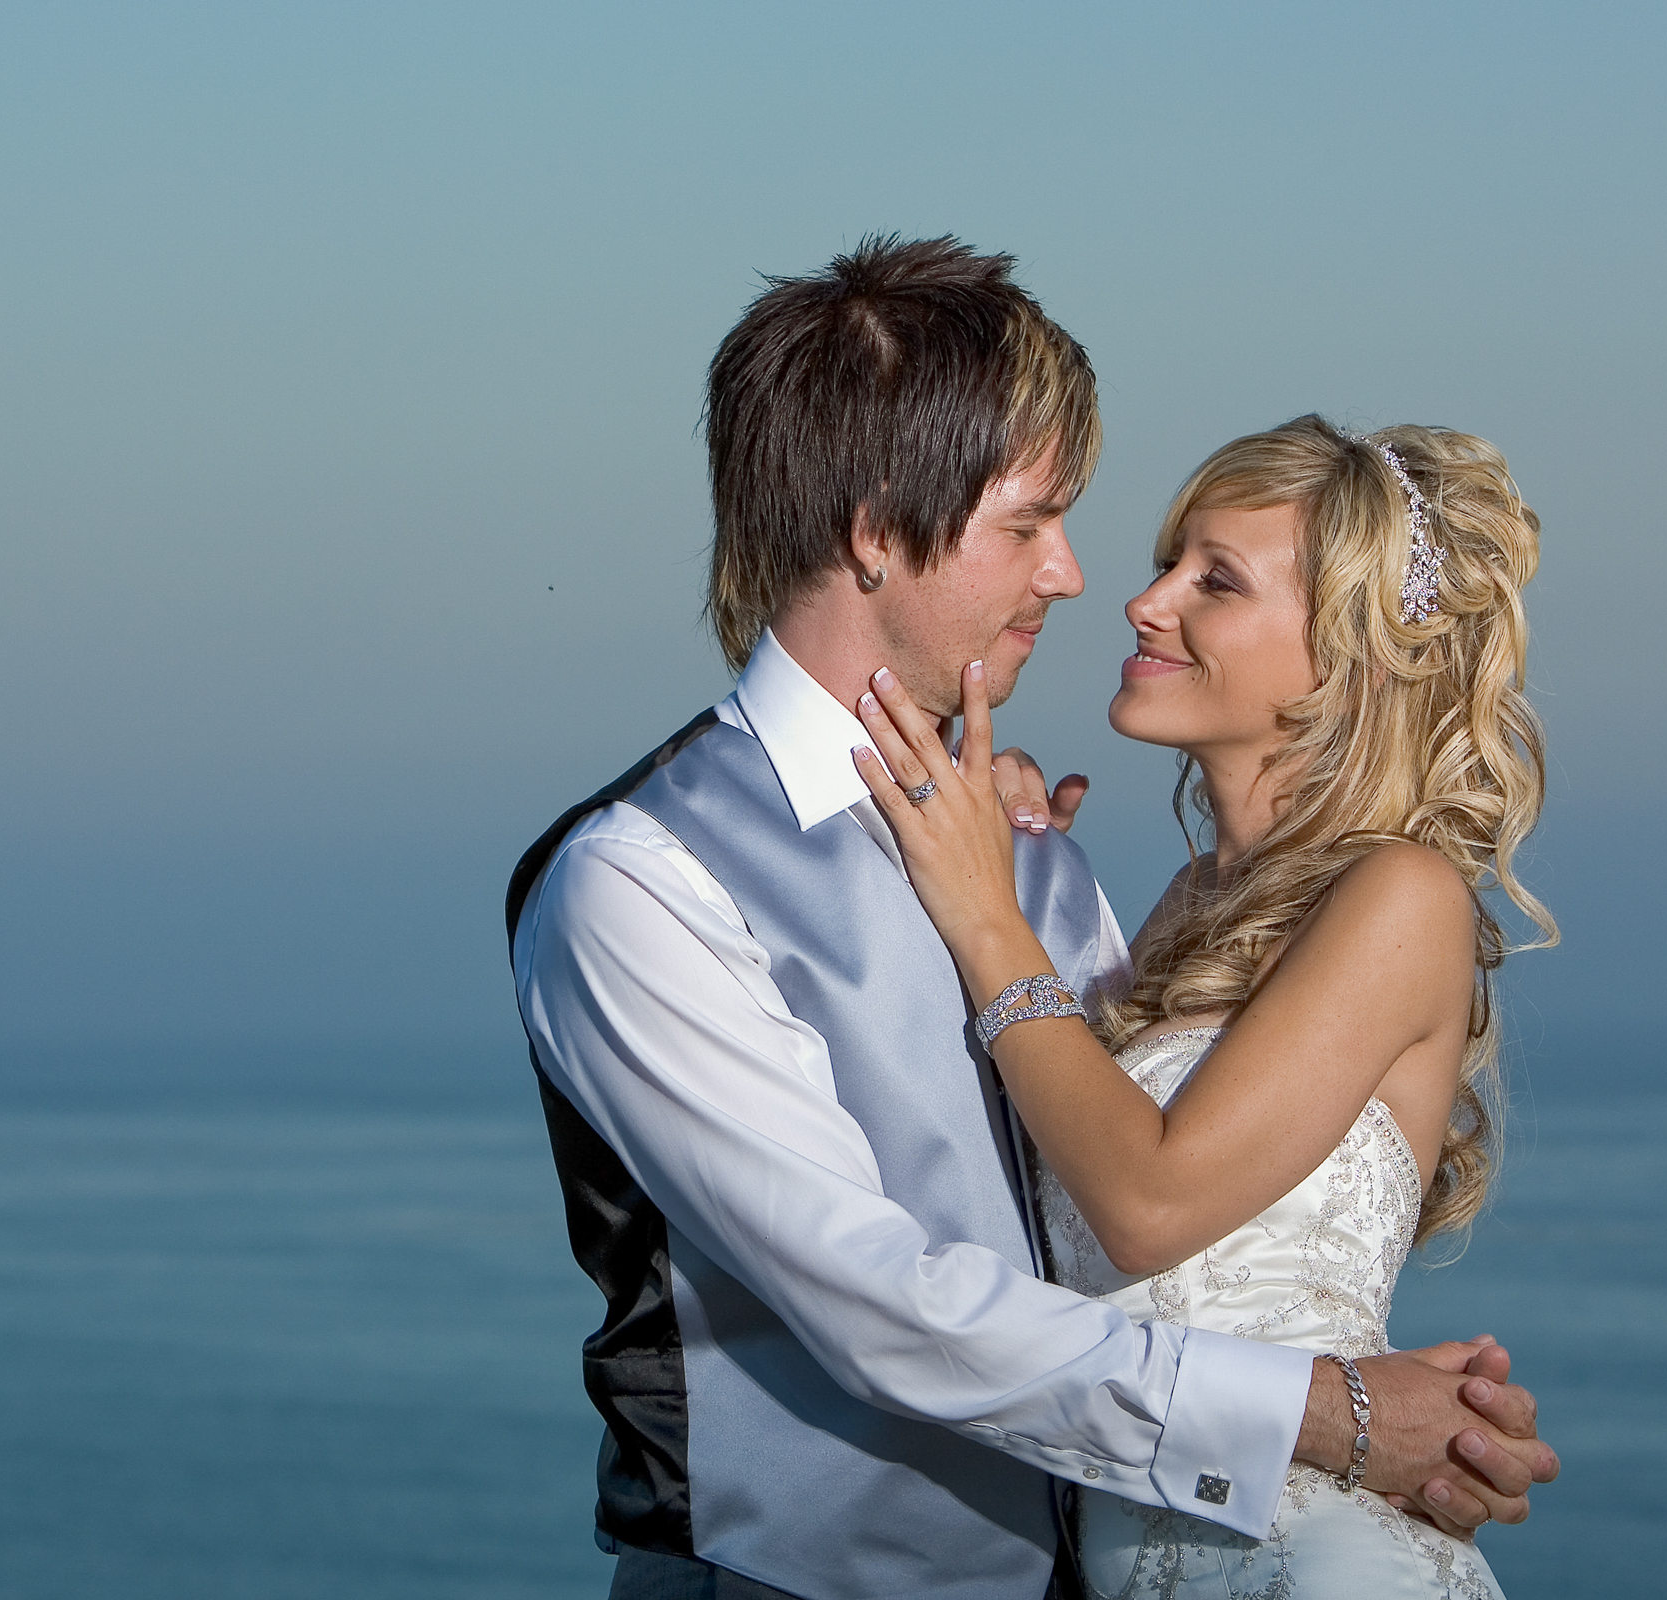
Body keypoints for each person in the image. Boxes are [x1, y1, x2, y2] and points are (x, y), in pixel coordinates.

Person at [508, 239, 1556, 1600]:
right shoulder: (645, 880)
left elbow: (1153, 1210)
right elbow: (886, 1309)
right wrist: (1334, 1417)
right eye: (1027, 525)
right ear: (877, 530)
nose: (1079, 577)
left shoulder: (1039, 865)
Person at [846, 414, 1553, 1597]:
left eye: (1213, 580)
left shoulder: (1399, 896)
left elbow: (1150, 1199)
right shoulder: (1182, 910)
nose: (1144, 600)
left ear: (1348, 654)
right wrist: (1017, 873)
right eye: (1170, 560)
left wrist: (986, 916)